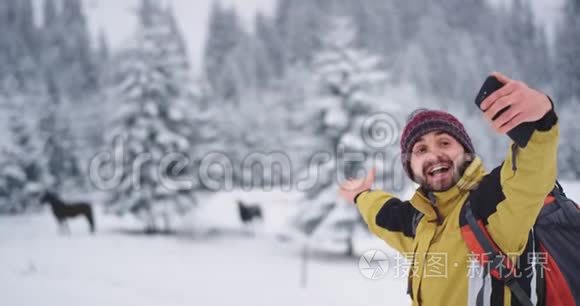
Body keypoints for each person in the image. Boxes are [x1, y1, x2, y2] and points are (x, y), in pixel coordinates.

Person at [339, 72, 559, 306]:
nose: (433, 155)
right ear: (411, 167)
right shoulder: (419, 222)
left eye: (444, 142)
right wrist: (361, 195)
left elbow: (529, 175)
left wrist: (540, 123)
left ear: (466, 152)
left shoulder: (493, 199)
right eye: (420, 150)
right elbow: (382, 212)